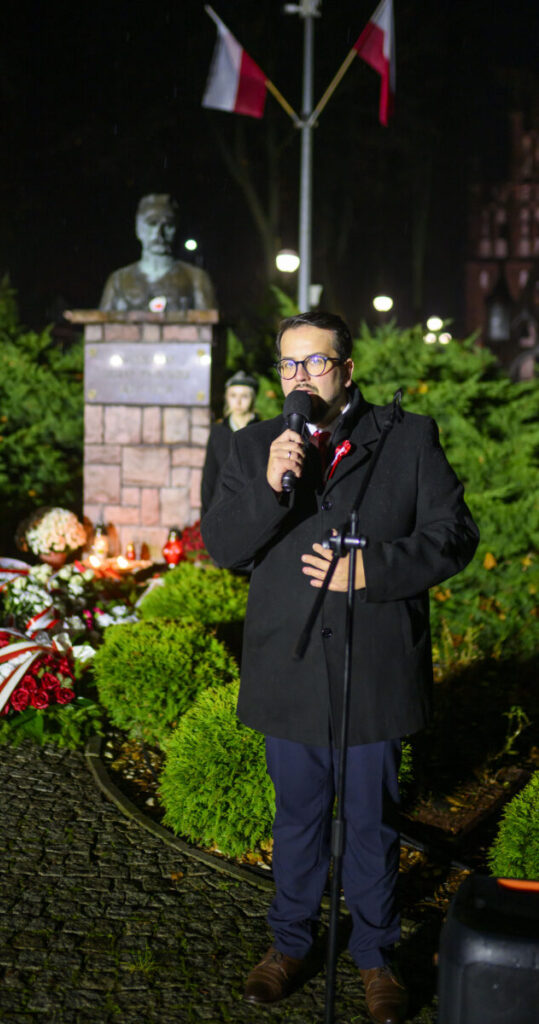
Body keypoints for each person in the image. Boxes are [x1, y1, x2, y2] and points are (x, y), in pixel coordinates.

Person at [201, 311, 478, 1024]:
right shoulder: (255, 445)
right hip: (288, 670)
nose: (299, 378)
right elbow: (225, 548)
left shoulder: (406, 438)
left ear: (346, 369)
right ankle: (289, 944)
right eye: (288, 366)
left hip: (373, 666)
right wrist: (267, 486)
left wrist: (372, 569)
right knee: (294, 816)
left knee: (369, 820)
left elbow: (453, 535)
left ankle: (375, 956)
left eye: (315, 363)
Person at [99, 194, 216, 312]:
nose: (159, 233)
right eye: (152, 223)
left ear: (176, 228)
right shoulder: (118, 281)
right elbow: (101, 325)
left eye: (168, 225)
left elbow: (208, 324)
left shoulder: (196, 279)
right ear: (138, 228)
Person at [201, 370, 260, 515]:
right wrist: (205, 514)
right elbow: (209, 475)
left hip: (251, 506)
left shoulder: (260, 430)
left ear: (252, 398)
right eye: (233, 396)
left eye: (244, 396)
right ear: (227, 398)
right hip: (221, 505)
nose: (238, 402)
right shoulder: (218, 431)